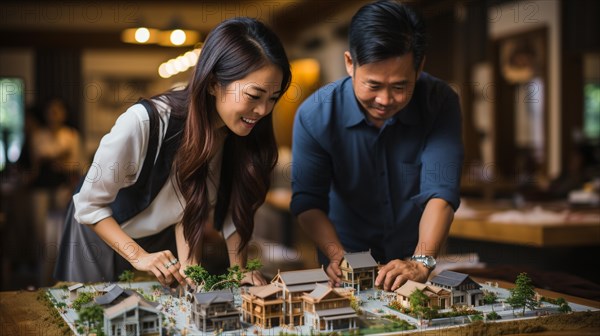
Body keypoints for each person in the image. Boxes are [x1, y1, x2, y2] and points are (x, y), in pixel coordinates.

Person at [54, 17, 291, 288]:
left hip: (159, 241)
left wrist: (239, 273)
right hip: (98, 234)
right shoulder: (145, 122)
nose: (263, 110)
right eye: (254, 95)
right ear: (214, 83)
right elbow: (88, 204)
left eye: (273, 98)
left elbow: (208, 209)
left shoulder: (237, 131)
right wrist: (139, 256)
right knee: (87, 318)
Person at [290, 0, 464, 292]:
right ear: (349, 63)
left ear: (419, 66)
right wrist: (339, 258)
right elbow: (308, 201)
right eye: (373, 85)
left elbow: (441, 190)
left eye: (399, 86)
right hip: (344, 254)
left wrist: (422, 260)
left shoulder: (440, 102)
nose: (384, 100)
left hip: (413, 258)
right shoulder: (315, 114)